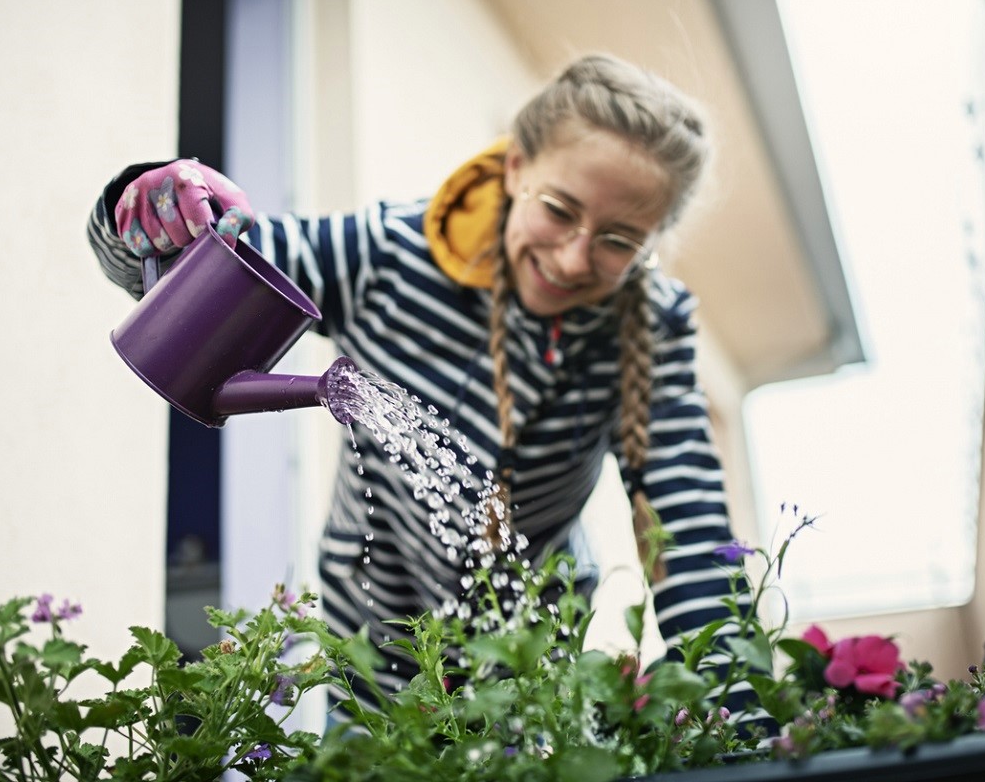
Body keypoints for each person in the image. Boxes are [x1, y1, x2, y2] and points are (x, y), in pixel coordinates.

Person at [88, 53, 761, 728]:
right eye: (559, 210)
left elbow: (689, 533)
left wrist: (744, 722)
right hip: (379, 644)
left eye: (619, 241)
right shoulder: (387, 256)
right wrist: (144, 215)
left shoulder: (653, 324)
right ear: (516, 167)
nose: (574, 258)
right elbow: (213, 263)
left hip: (538, 653)